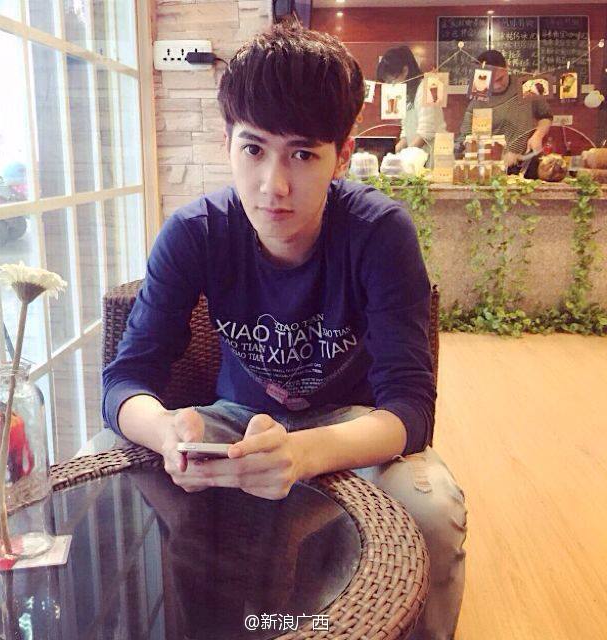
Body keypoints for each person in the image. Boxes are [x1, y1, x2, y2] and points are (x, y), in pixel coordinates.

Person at [100, 24, 466, 640]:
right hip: (233, 422)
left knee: (432, 509)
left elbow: (409, 408)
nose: (273, 185)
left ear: (342, 156)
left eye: (302, 154)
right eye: (253, 149)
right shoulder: (194, 233)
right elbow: (125, 378)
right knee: (100, 464)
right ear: (226, 143)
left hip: (348, 424)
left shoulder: (379, 233)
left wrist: (303, 454)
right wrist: (165, 430)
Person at [457, 49, 553, 167]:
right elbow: (466, 138)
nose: (496, 85)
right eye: (490, 81)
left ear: (507, 66)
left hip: (524, 162)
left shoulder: (526, 85)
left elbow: (546, 116)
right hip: (491, 167)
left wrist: (538, 135)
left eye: (500, 79)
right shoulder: (479, 97)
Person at [376, 46, 446, 164]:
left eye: (392, 80)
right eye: (388, 82)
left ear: (405, 71)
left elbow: (425, 134)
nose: (392, 85)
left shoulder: (426, 88)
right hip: (417, 157)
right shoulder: (407, 93)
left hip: (433, 157)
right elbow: (406, 134)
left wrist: (403, 158)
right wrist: (388, 156)